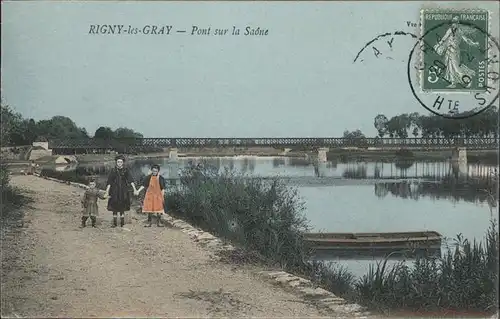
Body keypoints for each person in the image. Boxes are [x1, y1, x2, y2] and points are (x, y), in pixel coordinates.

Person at [105, 155, 136, 227]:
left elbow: (130, 180)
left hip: (123, 191)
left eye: (121, 162)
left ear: (123, 163)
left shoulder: (126, 170)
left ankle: (122, 223)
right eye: (118, 162)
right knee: (114, 206)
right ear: (116, 162)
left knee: (122, 205)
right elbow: (109, 182)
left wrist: (135, 189)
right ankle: (115, 223)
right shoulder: (113, 170)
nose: (119, 163)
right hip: (114, 190)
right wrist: (107, 191)